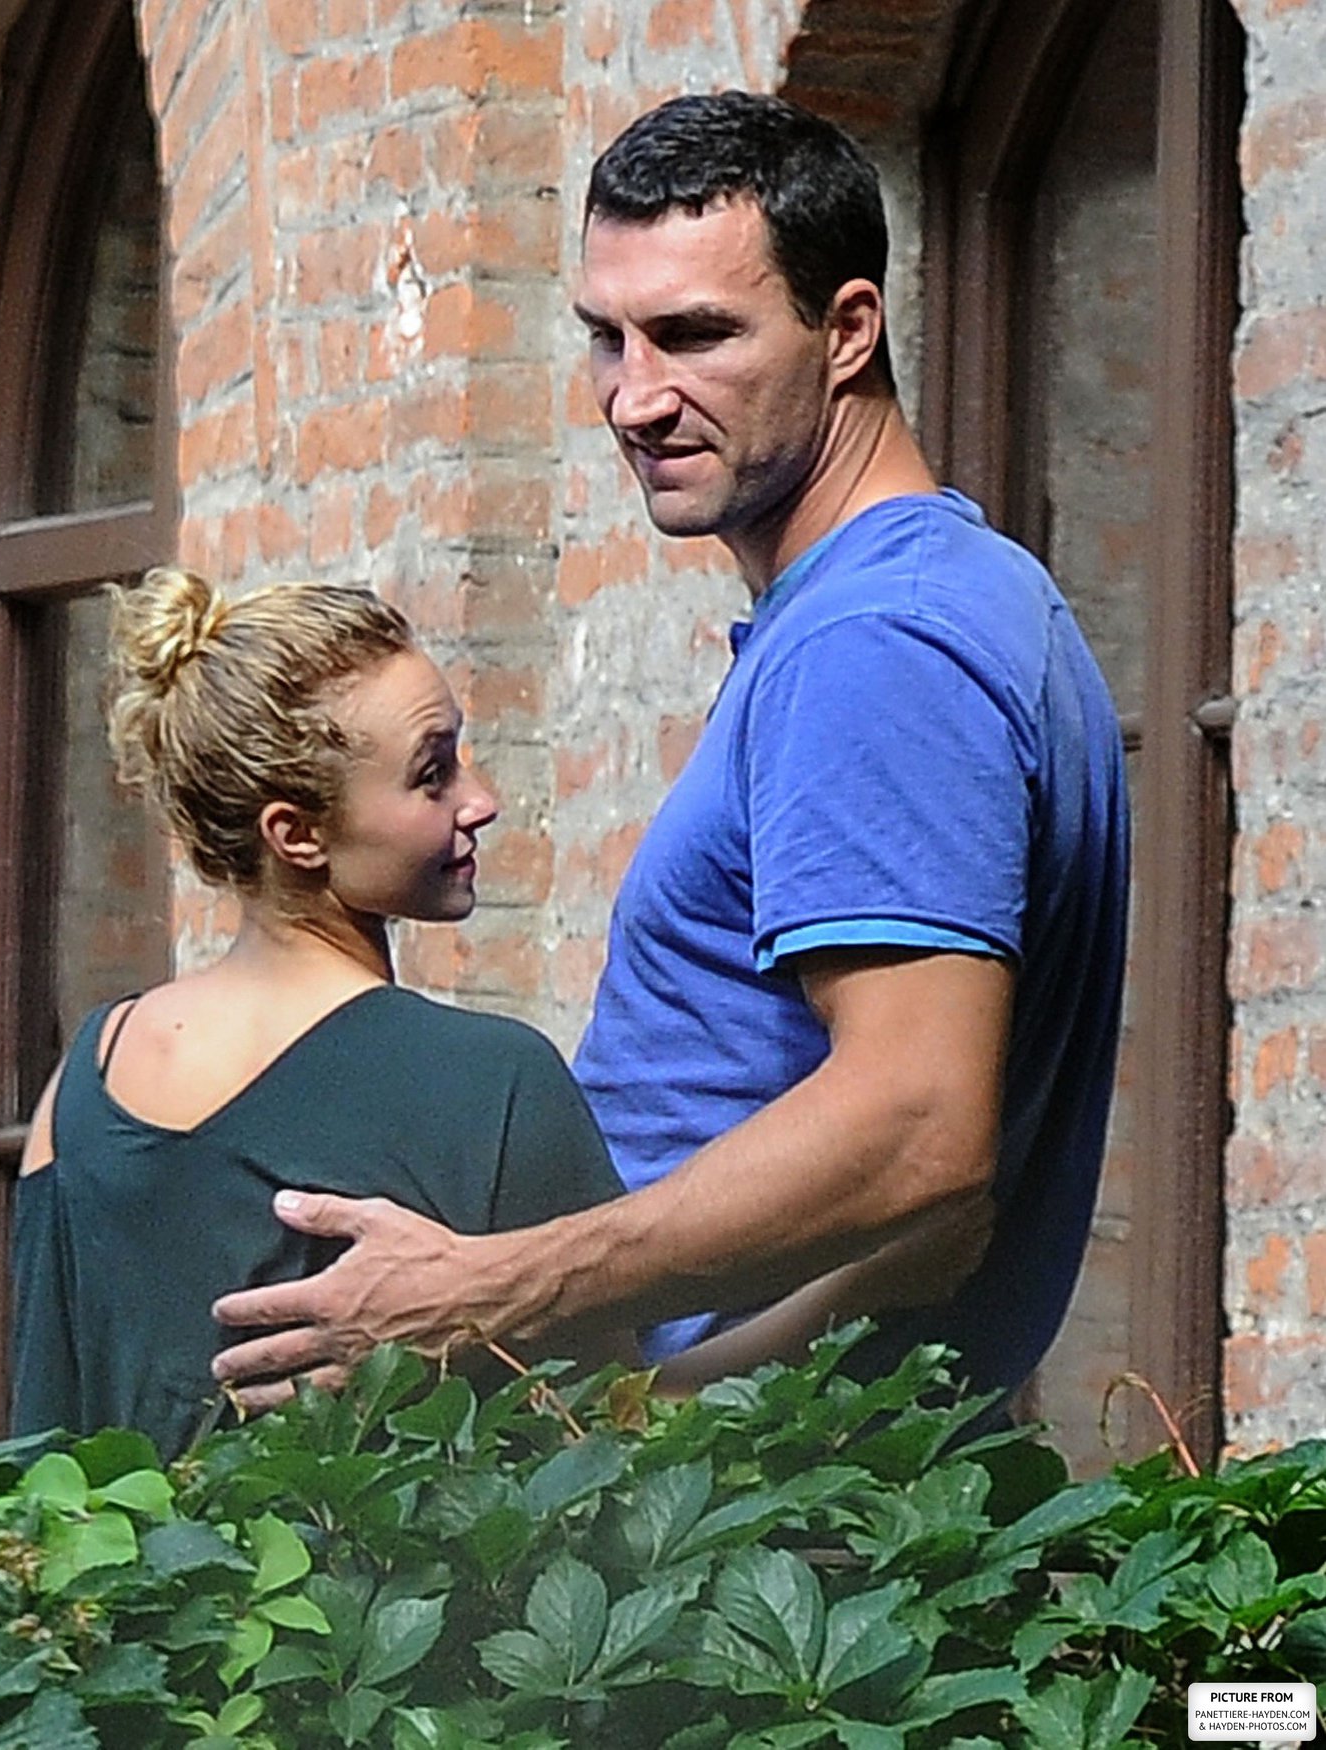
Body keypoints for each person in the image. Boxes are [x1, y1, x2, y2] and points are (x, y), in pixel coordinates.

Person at [209, 91, 1129, 1413]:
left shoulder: (879, 643)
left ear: (849, 330)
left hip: (765, 1517)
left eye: (696, 336)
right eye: (607, 337)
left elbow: (917, 1132)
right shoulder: (938, 601)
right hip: (732, 1473)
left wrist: (493, 1289)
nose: (636, 398)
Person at [9, 568, 628, 1458]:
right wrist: (847, 1292)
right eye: (432, 774)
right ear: (295, 834)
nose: (480, 798)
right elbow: (612, 1440)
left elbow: (40, 1444)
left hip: (110, 1595)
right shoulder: (489, 1082)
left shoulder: (89, 1076)